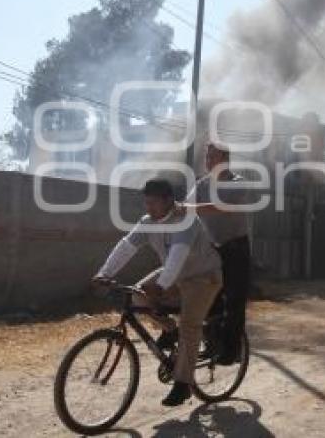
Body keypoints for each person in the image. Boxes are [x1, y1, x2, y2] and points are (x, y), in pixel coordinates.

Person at [92, 178, 221, 407]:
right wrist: (104, 273)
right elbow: (126, 246)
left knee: (190, 325)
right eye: (146, 202)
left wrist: (161, 286)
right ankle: (169, 329)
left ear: (169, 201)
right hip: (175, 274)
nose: (148, 207)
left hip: (203, 277)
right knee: (136, 295)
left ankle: (183, 384)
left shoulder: (186, 220)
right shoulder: (148, 222)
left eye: (153, 203)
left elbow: (177, 256)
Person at [184, 142, 253, 366]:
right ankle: (212, 343)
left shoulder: (238, 183)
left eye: (212, 156)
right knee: (208, 297)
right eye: (207, 157)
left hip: (235, 248)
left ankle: (232, 350)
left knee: (234, 299)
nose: (208, 161)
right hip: (211, 249)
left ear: (225, 159)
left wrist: (188, 208)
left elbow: (221, 206)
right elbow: (187, 205)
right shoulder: (202, 184)